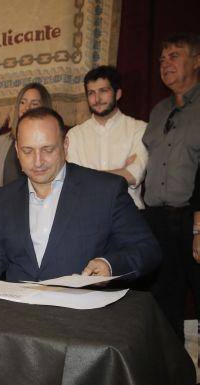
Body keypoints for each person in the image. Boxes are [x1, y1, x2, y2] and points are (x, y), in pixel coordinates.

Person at [0, 107, 161, 282]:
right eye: (28, 151)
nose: (38, 161)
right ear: (16, 151)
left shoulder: (105, 190)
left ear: (65, 145)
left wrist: (110, 265)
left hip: (83, 315)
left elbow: (147, 249)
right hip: (20, 315)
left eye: (48, 150)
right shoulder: (1, 199)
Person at [142, 33, 200, 340]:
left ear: (197, 61)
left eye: (174, 56)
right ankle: (173, 366)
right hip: (157, 220)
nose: (165, 64)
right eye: (162, 59)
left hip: (193, 219)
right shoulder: (158, 110)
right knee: (164, 297)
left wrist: (199, 227)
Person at [67, 66, 148, 209]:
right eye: (91, 93)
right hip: (88, 214)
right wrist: (120, 172)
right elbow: (73, 181)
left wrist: (89, 177)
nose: (97, 99)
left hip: (129, 213)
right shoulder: (74, 135)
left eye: (103, 91)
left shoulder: (139, 129)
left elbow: (134, 175)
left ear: (118, 94)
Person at [0, 82, 52, 194]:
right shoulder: (3, 140)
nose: (26, 108)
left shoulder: (52, 141)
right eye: (22, 102)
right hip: (6, 205)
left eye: (34, 104)